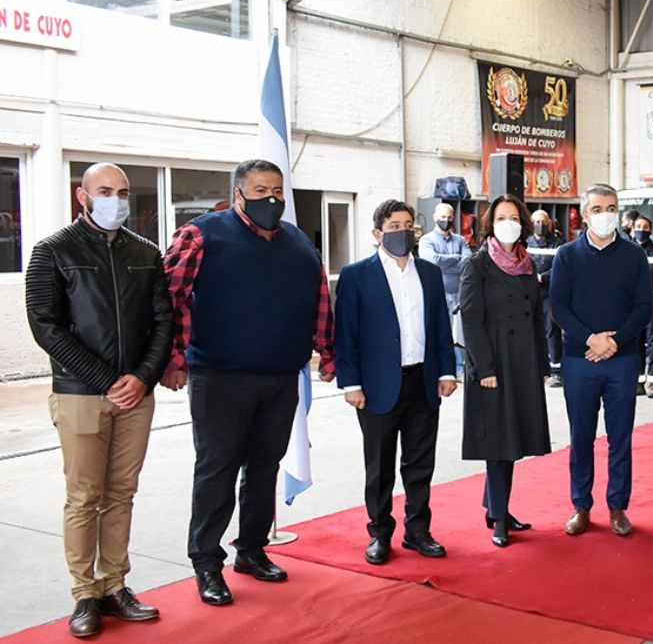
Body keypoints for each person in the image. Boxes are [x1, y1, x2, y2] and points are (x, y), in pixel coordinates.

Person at [161, 159, 335, 606]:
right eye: (260, 190)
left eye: (277, 190)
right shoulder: (202, 234)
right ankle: (206, 563)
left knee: (264, 468)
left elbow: (319, 302)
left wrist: (327, 353)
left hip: (281, 377)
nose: (270, 199)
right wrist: (172, 358)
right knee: (216, 471)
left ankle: (252, 550)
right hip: (220, 377)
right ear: (239, 194)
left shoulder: (298, 242)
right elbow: (167, 298)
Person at [25, 163, 173, 637]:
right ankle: (83, 592)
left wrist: (143, 377)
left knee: (121, 494)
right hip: (81, 395)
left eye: (123, 192)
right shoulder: (53, 251)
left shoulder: (146, 254)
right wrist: (106, 378)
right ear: (82, 196)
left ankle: (114, 584)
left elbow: (162, 323)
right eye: (105, 191)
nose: (116, 200)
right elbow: (46, 326)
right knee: (84, 496)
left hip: (135, 395)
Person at [334, 199, 457, 565]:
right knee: (380, 466)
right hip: (376, 388)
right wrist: (350, 383)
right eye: (393, 227)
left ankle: (418, 531)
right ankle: (379, 533)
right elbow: (346, 335)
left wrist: (447, 372)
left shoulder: (430, 274)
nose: (402, 232)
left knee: (420, 464)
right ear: (377, 234)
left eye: (408, 225)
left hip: (423, 381)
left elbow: (440, 327)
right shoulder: (357, 275)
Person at [550, 184, 653, 537]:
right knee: (581, 437)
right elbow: (559, 306)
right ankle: (581, 505)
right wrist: (590, 339)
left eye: (611, 207)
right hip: (579, 361)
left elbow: (644, 307)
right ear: (585, 213)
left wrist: (614, 340)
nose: (605, 214)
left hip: (622, 361)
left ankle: (617, 506)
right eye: (597, 208)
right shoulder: (566, 255)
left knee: (620, 437)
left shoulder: (634, 256)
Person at [459, 195, 552, 547]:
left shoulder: (526, 265)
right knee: (499, 442)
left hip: (523, 362)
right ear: (490, 224)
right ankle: (499, 517)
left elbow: (538, 318)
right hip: (492, 364)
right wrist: (484, 367)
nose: (508, 223)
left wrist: (542, 363)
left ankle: (496, 506)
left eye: (514, 217)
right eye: (501, 217)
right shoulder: (478, 265)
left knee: (513, 440)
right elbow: (470, 319)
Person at [419, 203, 472, 378]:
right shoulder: (426, 240)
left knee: (460, 333)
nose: (446, 220)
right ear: (435, 218)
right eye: (442, 217)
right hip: (437, 294)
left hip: (460, 294)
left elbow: (468, 262)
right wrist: (456, 259)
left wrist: (445, 264)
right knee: (441, 332)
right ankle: (444, 369)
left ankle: (459, 369)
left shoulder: (461, 240)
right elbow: (431, 261)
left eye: (449, 217)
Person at [527, 209, 565, 387]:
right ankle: (536, 368)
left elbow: (561, 267)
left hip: (550, 292)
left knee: (552, 330)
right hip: (530, 293)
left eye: (543, 222)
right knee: (531, 330)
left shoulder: (557, 244)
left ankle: (556, 370)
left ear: (549, 223)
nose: (540, 226)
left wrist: (543, 277)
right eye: (537, 222)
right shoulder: (525, 243)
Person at [631, 216, 653, 398]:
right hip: (632, 306)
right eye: (638, 226)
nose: (641, 230)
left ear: (651, 231)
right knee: (635, 342)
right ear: (631, 229)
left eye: (645, 227)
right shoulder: (625, 252)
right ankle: (637, 380)